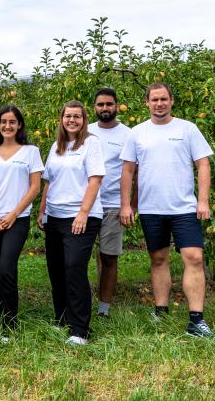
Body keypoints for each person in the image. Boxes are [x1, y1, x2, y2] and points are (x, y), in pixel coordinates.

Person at [120, 82, 215, 338]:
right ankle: (160, 311)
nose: (159, 104)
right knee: (158, 259)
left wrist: (203, 200)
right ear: (147, 103)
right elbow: (128, 170)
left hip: (184, 207)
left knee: (194, 257)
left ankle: (196, 320)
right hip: (152, 209)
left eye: (164, 99)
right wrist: (126, 204)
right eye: (154, 100)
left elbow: (203, 164)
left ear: (171, 100)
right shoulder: (137, 133)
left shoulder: (187, 128)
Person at [38, 100, 105, 346]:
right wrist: (43, 210)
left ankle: (80, 329)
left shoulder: (91, 143)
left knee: (74, 268)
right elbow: (48, 181)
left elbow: (95, 180)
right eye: (68, 116)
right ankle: (62, 317)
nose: (72, 120)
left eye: (77, 116)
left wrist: (83, 213)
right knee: (56, 269)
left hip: (81, 216)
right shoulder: (57, 146)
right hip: (55, 216)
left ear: (84, 119)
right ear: (62, 119)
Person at [0, 105, 42, 340]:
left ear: (19, 125)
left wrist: (13, 214)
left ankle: (9, 323)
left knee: (7, 269)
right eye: (3, 122)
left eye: (12, 122)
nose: (7, 126)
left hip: (17, 220)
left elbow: (35, 187)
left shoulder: (30, 152)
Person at [87, 88, 133, 318]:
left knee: (109, 256)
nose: (105, 108)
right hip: (84, 205)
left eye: (109, 104)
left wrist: (130, 204)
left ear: (116, 106)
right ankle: (80, 302)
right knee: (78, 257)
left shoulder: (128, 134)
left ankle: (104, 308)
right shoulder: (85, 132)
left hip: (113, 203)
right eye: (100, 104)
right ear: (94, 107)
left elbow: (134, 171)